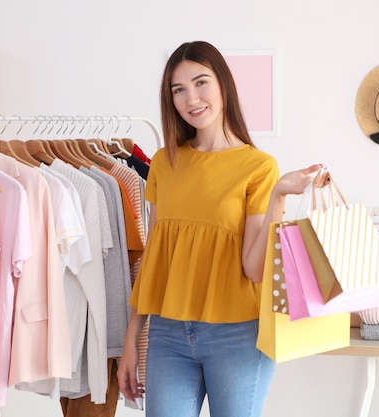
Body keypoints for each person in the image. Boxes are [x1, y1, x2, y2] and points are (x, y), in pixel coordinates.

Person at [117, 40, 321, 417]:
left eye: (200, 83)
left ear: (223, 85)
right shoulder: (164, 162)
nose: (191, 98)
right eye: (178, 90)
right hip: (168, 333)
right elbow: (155, 258)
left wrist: (278, 196)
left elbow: (254, 269)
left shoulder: (259, 167)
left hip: (238, 336)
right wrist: (133, 338)